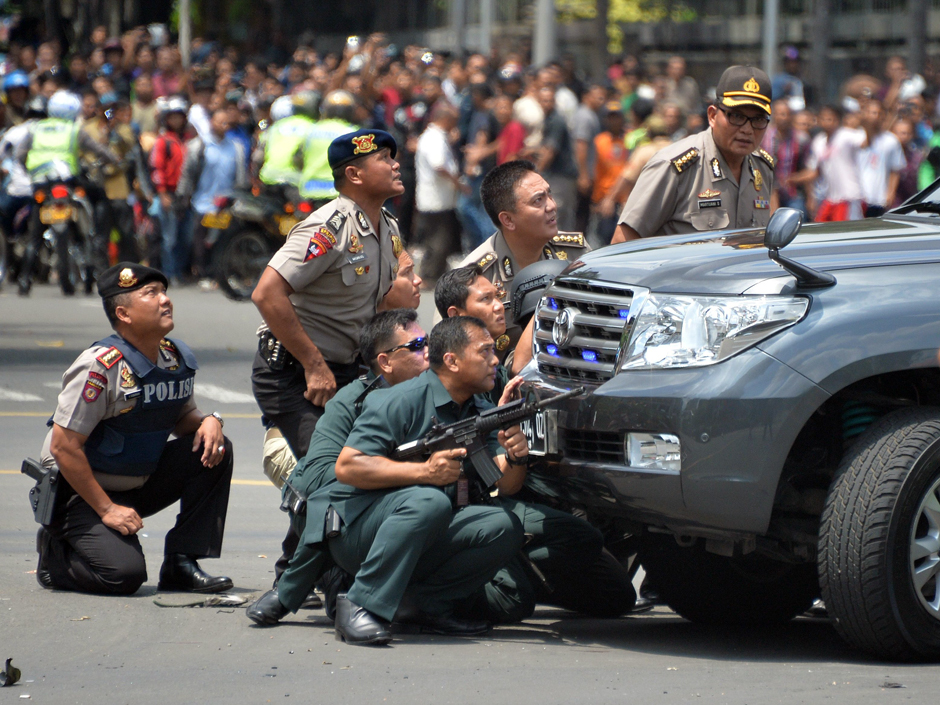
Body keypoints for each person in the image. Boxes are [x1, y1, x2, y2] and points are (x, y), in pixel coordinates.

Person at [434, 266, 637, 621]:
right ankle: (428, 593)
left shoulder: (491, 368)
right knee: (511, 601)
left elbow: (506, 478)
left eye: (499, 297)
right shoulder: (437, 383)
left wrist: (514, 453)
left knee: (614, 594)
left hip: (501, 500)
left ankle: (519, 563)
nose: (500, 306)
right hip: (454, 515)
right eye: (487, 299)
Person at [250, 128, 403, 583]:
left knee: (353, 466)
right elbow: (267, 293)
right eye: (384, 158)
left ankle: (296, 574)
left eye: (395, 156)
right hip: (295, 371)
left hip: (345, 372)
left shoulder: (386, 228)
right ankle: (301, 577)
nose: (395, 164)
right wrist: (314, 365)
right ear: (353, 174)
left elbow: (373, 307)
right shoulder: (328, 226)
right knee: (330, 471)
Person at [33, 263, 233, 595]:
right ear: (124, 314)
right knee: (124, 575)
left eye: (164, 292)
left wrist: (210, 420)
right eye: (151, 294)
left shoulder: (173, 358)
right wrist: (107, 509)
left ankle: (181, 563)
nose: (165, 300)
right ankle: (55, 553)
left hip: (137, 480)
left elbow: (183, 419)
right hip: (78, 493)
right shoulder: (99, 366)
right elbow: (63, 447)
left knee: (215, 448)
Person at [327, 316, 528, 644]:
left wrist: (516, 454)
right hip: (358, 531)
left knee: (502, 525)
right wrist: (424, 473)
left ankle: (421, 607)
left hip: (419, 531)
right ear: (452, 360)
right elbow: (348, 467)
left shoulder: (477, 407)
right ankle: (359, 604)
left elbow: (505, 484)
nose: (495, 360)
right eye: (485, 352)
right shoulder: (401, 399)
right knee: (429, 500)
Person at [247, 308, 430, 626]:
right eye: (416, 347)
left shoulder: (438, 393)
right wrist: (385, 473)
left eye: (427, 342)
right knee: (334, 493)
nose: (427, 352)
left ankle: (294, 586)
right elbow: (316, 474)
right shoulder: (353, 399)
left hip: (404, 518)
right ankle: (295, 585)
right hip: (345, 521)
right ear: (385, 362)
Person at [613, 66, 776, 243]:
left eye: (758, 120)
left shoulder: (762, 167)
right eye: (736, 116)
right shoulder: (675, 166)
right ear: (712, 116)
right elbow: (622, 242)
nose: (747, 129)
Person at [455, 160, 589, 360]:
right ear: (508, 220)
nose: (552, 205)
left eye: (549, 194)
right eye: (538, 201)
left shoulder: (574, 251)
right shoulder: (475, 274)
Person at [15, 90, 119, 296]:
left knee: (35, 235)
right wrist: (115, 159)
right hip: (66, 183)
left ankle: (24, 280)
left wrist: (30, 172)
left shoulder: (36, 128)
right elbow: (98, 150)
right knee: (85, 223)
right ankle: (89, 263)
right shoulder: (74, 129)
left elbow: (20, 155)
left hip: (41, 186)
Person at [176, 108, 248, 282]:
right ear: (211, 123)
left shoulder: (236, 147)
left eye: (226, 123)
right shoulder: (199, 145)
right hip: (203, 202)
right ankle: (203, 273)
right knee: (200, 241)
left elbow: (241, 177)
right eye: (219, 121)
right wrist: (182, 196)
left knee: (223, 240)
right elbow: (187, 173)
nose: (223, 126)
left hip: (226, 204)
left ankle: (222, 274)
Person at [414, 101, 464, 283]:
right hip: (435, 199)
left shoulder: (436, 137)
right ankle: (430, 276)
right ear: (445, 119)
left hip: (436, 198)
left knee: (440, 238)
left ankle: (437, 274)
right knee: (438, 240)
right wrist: (458, 183)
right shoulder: (434, 138)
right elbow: (439, 165)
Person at [807, 104, 866, 222]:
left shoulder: (846, 135)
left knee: (844, 232)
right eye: (823, 119)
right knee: (821, 228)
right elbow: (814, 171)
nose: (827, 122)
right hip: (830, 197)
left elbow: (864, 143)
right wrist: (794, 179)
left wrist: (866, 122)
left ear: (837, 120)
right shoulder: (818, 141)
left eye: (830, 119)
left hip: (849, 196)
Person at [298, 90, 358, 203]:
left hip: (309, 191)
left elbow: (298, 158)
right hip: (338, 193)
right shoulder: (352, 132)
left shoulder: (311, 130)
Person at [257, 91, 320, 199]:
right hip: (295, 182)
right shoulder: (314, 129)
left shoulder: (276, 126)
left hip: (269, 179)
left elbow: (258, 157)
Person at [856, 100, 905, 218]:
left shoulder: (891, 140)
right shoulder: (856, 137)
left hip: (878, 199)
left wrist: (890, 193)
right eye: (872, 112)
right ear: (864, 113)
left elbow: (895, 169)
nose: (875, 116)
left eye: (878, 113)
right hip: (857, 197)